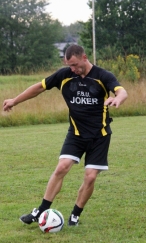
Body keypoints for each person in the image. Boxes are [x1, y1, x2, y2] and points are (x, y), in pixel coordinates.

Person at [3, 44, 128, 226]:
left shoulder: (102, 76)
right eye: (70, 65)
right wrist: (14, 100)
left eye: (76, 65)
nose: (73, 69)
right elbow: (39, 87)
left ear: (84, 57)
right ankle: (41, 211)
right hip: (76, 134)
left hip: (99, 136)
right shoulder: (65, 75)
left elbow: (121, 91)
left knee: (91, 176)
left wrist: (117, 99)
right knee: (62, 167)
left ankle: (75, 215)